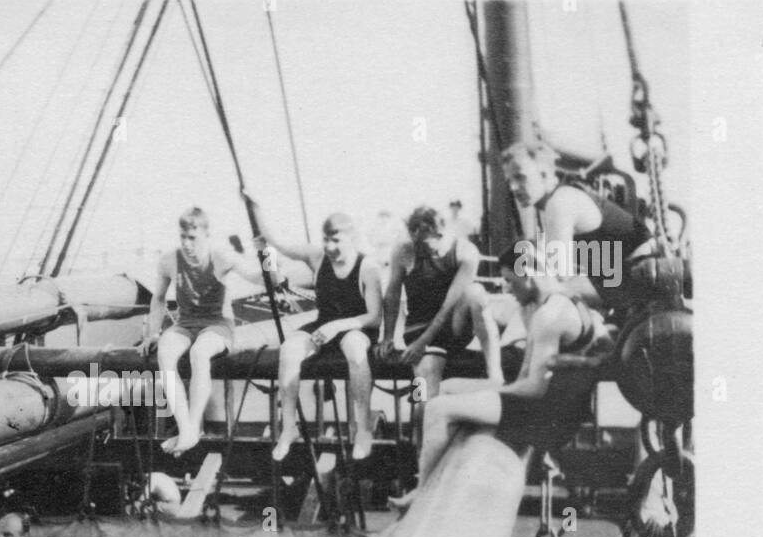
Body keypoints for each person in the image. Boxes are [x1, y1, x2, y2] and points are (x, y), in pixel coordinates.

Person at [389, 246, 611, 510]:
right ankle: (436, 479)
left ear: (527, 273)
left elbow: (533, 388)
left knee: (437, 408)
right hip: (557, 403)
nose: (506, 289)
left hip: (547, 414)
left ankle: (421, 496)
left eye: (509, 280)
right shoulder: (560, 300)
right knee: (445, 388)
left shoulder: (548, 316)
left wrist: (484, 395)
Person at [245, 194, 382, 461]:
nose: (329, 246)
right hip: (324, 324)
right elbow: (276, 243)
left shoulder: (368, 268)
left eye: (336, 240)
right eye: (326, 239)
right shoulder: (317, 257)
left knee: (354, 348)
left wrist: (337, 327)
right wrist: (254, 204)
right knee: (289, 349)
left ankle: (363, 429)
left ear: (352, 238)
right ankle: (288, 428)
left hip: (356, 327)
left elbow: (375, 317)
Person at [380, 206, 510, 460]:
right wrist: (387, 336)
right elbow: (392, 294)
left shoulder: (466, 252)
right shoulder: (403, 251)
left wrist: (422, 342)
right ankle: (421, 454)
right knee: (422, 396)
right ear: (414, 236)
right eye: (425, 242)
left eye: (437, 240)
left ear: (444, 232)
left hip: (453, 323)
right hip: (417, 328)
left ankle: (496, 375)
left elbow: (448, 305)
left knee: (476, 294)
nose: (433, 247)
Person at [140, 206, 272, 455]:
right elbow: (157, 298)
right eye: (183, 238)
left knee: (199, 354)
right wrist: (153, 334)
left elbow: (263, 279)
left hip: (217, 324)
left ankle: (191, 428)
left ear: (206, 235)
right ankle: (187, 429)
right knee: (165, 355)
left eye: (193, 238)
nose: (187, 244)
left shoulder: (221, 256)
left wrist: (267, 253)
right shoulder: (169, 259)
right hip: (186, 323)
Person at [499, 140, 656, 316]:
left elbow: (559, 275)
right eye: (510, 181)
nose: (513, 187)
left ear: (543, 174)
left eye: (520, 177)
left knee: (544, 290)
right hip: (621, 278)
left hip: (639, 276)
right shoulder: (550, 204)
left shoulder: (559, 203)